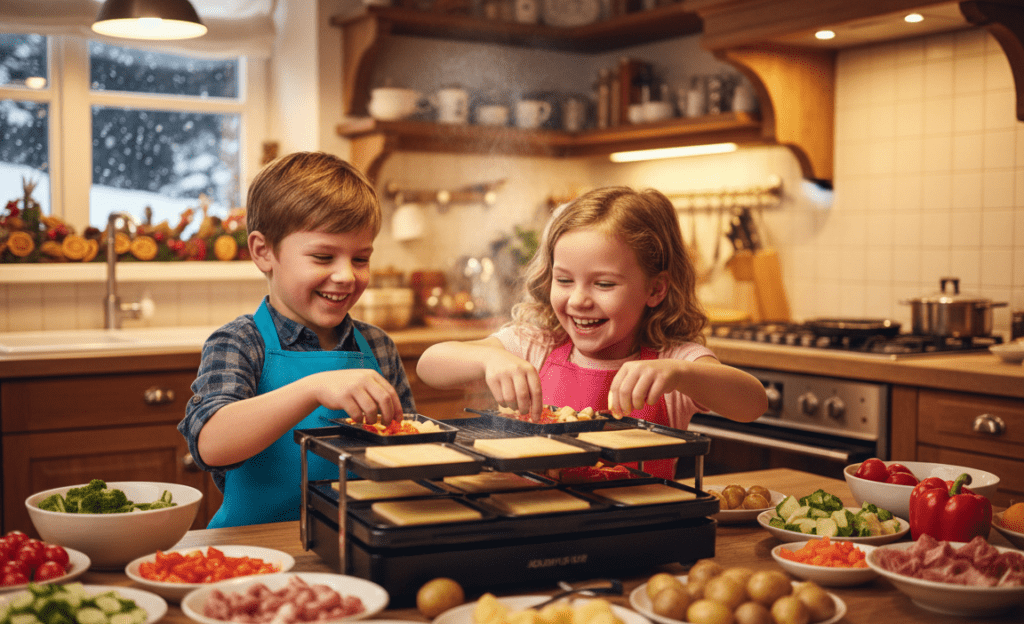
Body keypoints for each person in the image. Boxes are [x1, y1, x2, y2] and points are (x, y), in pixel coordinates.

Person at [416, 186, 767, 478]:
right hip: (535, 521)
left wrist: (680, 374)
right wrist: (487, 357)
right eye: (564, 280)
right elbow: (429, 366)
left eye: (603, 283)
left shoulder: (673, 362)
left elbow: (753, 403)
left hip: (638, 533)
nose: (579, 300)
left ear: (655, 289)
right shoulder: (537, 345)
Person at [178, 152, 414, 527]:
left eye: (361, 258)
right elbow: (212, 444)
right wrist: (314, 388)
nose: (346, 276)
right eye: (323, 257)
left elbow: (407, 451)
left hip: (357, 542)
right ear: (263, 252)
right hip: (254, 550)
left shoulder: (378, 346)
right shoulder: (240, 343)